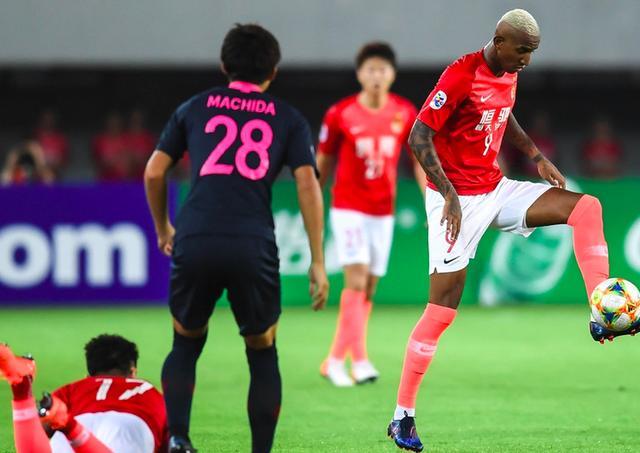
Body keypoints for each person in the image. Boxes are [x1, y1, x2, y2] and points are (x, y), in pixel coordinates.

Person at [387, 10, 614, 452]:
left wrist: (536, 156)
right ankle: (402, 416)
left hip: (494, 188)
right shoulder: (460, 75)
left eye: (532, 52)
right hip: (454, 200)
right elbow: (418, 136)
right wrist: (448, 194)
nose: (527, 60)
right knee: (441, 311)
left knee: (587, 207)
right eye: (522, 51)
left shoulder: (509, 72)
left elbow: (502, 113)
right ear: (499, 40)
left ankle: (601, 309)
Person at [144, 23, 329, 453]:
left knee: (185, 342)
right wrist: (317, 260)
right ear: (274, 71)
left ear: (224, 65)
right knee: (262, 350)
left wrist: (163, 228)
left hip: (197, 236)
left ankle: (178, 439)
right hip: (252, 241)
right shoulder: (288, 118)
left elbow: (154, 172)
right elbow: (308, 184)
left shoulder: (194, 107)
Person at [317, 42, 425, 387]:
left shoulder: (404, 112)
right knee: (357, 279)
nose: (376, 75)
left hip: (383, 211)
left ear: (392, 74)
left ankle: (339, 359)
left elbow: (419, 161)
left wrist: (431, 200)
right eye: (370, 69)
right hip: (348, 208)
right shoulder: (341, 113)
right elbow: (323, 161)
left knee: (370, 287)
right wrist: (313, 200)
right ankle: (350, 360)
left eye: (382, 69)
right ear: (359, 74)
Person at [0, 335, 167, 453]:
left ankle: (22, 390)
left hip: (76, 426)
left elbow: (40, 432)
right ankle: (70, 427)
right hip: (127, 426)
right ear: (132, 371)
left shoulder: (73, 388)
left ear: (89, 374)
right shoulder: (148, 391)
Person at [34, 109, 69, 178]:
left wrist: (54, 163)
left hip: (55, 174)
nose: (48, 121)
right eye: (46, 119)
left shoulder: (61, 139)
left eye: (50, 119)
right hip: (36, 175)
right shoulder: (34, 136)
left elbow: (64, 161)